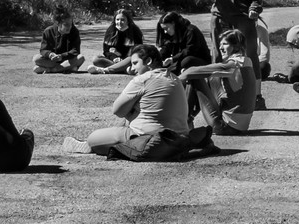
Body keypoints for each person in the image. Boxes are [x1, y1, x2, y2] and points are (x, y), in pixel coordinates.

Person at [63, 46, 212, 161]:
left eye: (135, 63)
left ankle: (89, 146)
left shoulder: (143, 79)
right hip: (179, 136)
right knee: (136, 109)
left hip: (148, 136)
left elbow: (118, 110)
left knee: (93, 138)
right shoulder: (175, 79)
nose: (132, 68)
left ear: (148, 62)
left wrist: (132, 111)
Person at [180, 28, 259, 134]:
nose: (220, 48)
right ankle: (188, 118)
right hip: (239, 126)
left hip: (225, 126)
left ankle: (184, 122)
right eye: (220, 44)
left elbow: (191, 72)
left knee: (194, 77)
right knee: (211, 76)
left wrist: (175, 80)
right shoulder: (246, 61)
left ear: (236, 46)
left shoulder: (233, 65)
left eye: (225, 44)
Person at [88, 9, 144, 74]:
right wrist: (114, 58)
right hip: (114, 60)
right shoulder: (110, 31)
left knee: (131, 58)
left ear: (128, 21)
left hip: (128, 60)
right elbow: (106, 51)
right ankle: (122, 69)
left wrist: (122, 59)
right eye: (117, 20)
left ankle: (104, 70)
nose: (119, 22)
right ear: (114, 20)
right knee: (96, 59)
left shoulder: (135, 32)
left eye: (122, 20)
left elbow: (137, 51)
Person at [35, 9, 85, 74]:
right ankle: (66, 68)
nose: (69, 27)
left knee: (80, 58)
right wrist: (49, 54)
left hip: (67, 59)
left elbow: (75, 51)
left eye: (71, 24)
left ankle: (50, 70)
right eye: (66, 25)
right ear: (58, 23)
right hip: (52, 61)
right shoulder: (48, 31)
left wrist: (61, 56)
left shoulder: (74, 32)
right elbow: (43, 50)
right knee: (36, 58)